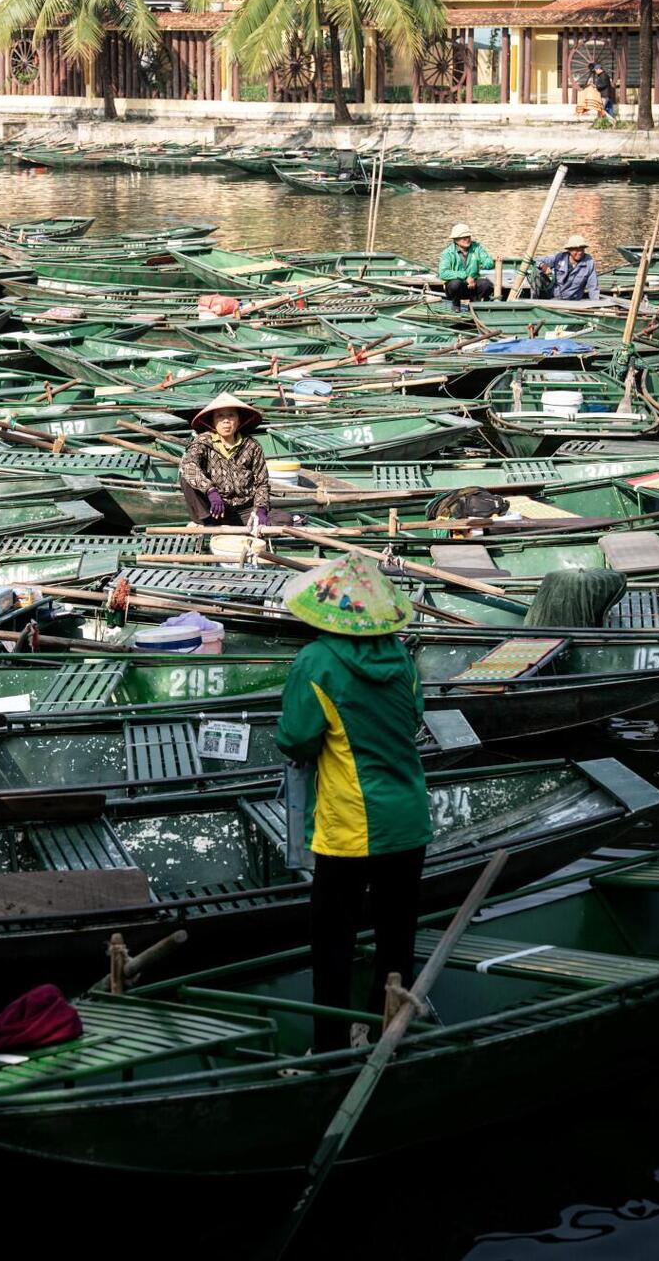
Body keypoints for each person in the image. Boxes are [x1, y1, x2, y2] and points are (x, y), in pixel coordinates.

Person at [276, 552, 431, 1053]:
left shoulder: (316, 661)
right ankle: (388, 1030)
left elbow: (296, 739)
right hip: (408, 818)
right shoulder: (403, 658)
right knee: (396, 938)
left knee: (333, 943)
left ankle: (330, 1047)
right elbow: (411, 721)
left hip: (350, 827)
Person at [178, 391, 271, 527]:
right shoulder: (203, 442)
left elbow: (262, 482)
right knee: (185, 476)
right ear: (213, 421)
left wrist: (261, 510)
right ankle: (209, 524)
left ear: (239, 420)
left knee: (284, 520)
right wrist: (211, 491)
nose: (226, 420)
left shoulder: (252, 445)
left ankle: (245, 523)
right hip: (213, 509)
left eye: (231, 415)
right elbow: (188, 465)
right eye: (220, 416)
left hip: (244, 510)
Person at [438, 222, 494, 310]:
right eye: (464, 238)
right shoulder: (447, 253)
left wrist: (488, 262)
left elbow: (489, 263)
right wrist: (465, 276)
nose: (467, 240)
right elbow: (443, 273)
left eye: (468, 237)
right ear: (456, 240)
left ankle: (474, 305)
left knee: (487, 285)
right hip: (457, 288)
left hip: (473, 285)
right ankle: (456, 305)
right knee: (455, 284)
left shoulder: (477, 248)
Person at [537, 237, 601, 302]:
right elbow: (536, 260)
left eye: (582, 250)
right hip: (553, 297)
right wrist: (543, 266)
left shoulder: (589, 262)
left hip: (572, 301)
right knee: (536, 273)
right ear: (569, 250)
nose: (579, 253)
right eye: (576, 250)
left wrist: (595, 303)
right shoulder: (559, 257)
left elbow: (593, 286)